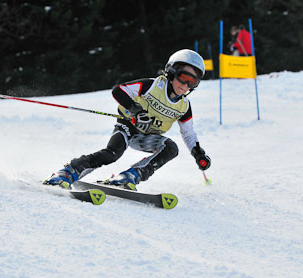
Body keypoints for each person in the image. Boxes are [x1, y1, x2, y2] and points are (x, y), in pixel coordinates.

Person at [44, 49, 211, 191]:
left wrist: (198, 154)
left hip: (147, 137)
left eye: (192, 82)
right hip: (128, 127)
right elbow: (119, 90)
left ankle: (130, 176)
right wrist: (136, 111)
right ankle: (69, 171)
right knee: (112, 153)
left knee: (171, 148)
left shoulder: (184, 106)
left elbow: (188, 133)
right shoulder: (151, 86)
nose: (185, 85)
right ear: (172, 72)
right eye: (183, 77)